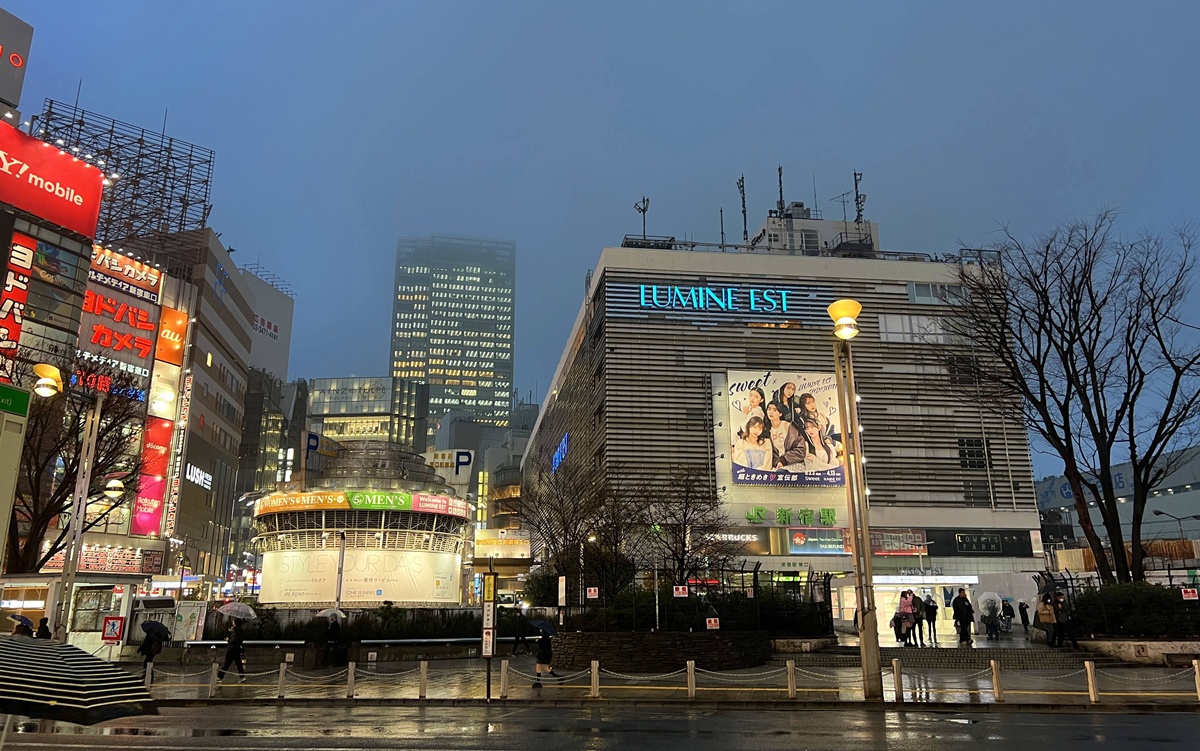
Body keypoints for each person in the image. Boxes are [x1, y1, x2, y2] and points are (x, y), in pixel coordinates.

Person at [764, 402, 806, 469]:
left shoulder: (788, 426)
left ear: (780, 414)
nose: (771, 412)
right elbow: (770, 454)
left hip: (794, 463)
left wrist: (784, 460)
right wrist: (777, 462)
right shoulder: (767, 430)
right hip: (777, 466)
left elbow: (801, 449)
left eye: (775, 410)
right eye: (769, 409)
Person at [217, 618, 246, 683]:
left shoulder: (235, 631)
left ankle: (219, 676)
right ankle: (242, 677)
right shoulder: (241, 631)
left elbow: (233, 640)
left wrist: (228, 639)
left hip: (232, 649)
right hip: (238, 649)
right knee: (238, 664)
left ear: (235, 623)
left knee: (227, 663)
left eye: (233, 621)